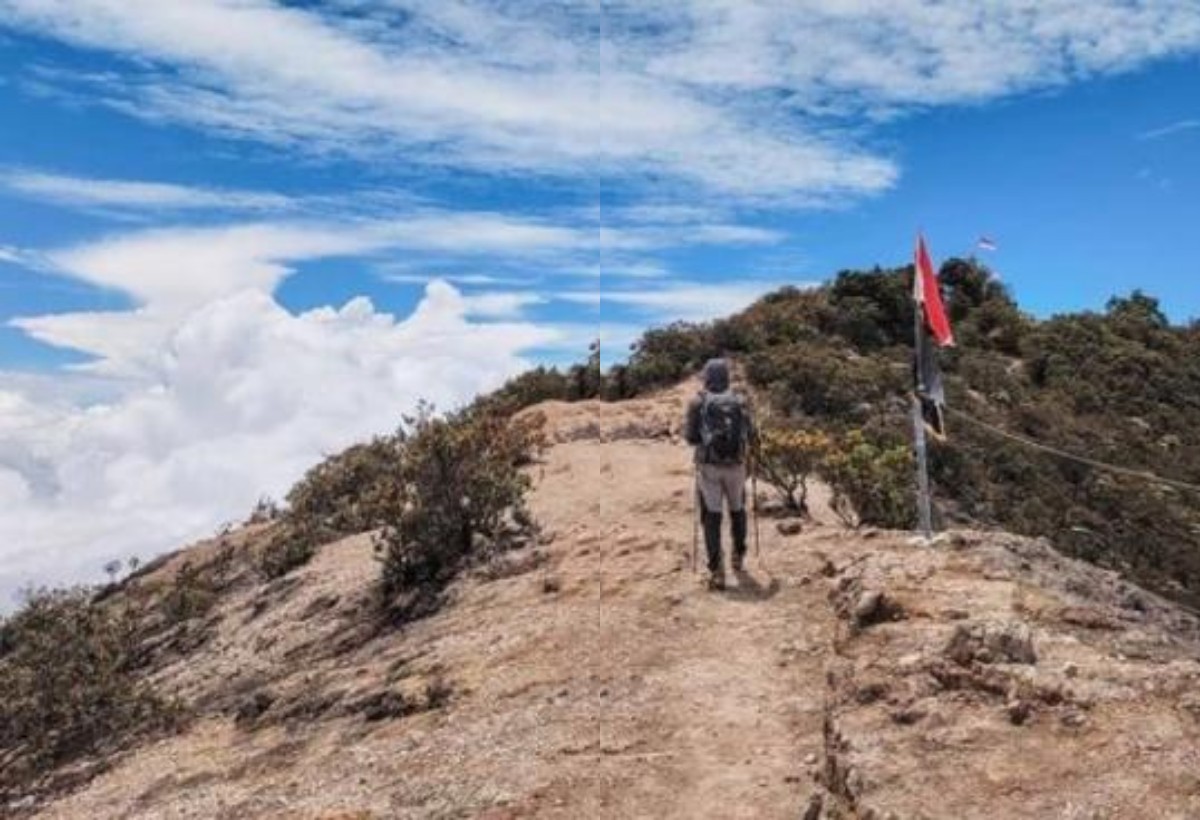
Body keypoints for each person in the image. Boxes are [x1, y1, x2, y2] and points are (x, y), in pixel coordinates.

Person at [684, 358, 755, 590]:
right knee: (738, 510)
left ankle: (717, 570)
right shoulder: (741, 401)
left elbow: (691, 438)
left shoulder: (698, 402)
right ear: (726, 377)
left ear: (706, 377)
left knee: (712, 515)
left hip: (709, 467)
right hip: (737, 466)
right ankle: (739, 555)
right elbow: (752, 434)